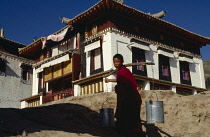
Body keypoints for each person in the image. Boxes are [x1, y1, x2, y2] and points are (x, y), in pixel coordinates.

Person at [105, 54, 145, 137]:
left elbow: (126, 84)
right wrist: (109, 80)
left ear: (122, 62)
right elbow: (121, 80)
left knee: (129, 119)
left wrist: (117, 87)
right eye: (114, 62)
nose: (116, 64)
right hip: (127, 98)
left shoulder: (124, 71)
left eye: (117, 62)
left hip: (130, 99)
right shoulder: (121, 71)